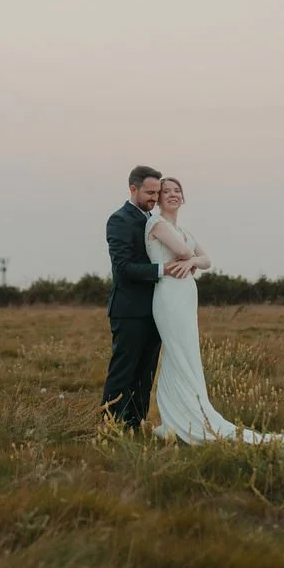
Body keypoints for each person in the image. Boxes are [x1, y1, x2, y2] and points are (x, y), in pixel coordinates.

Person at [146, 176, 284, 449]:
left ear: (183, 197)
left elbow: (207, 260)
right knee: (177, 353)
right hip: (168, 296)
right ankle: (178, 418)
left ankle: (185, 415)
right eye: (166, 191)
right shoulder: (157, 224)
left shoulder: (184, 229)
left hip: (186, 296)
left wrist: (193, 261)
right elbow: (185, 250)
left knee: (188, 354)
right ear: (158, 197)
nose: (173, 195)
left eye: (177, 191)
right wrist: (191, 258)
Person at [100, 165, 191, 432]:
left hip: (157, 308)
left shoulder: (155, 220)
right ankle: (110, 425)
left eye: (157, 192)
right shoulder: (119, 220)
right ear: (133, 189)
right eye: (150, 192)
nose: (154, 197)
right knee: (123, 370)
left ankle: (135, 424)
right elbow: (123, 267)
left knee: (146, 371)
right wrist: (164, 270)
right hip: (129, 309)